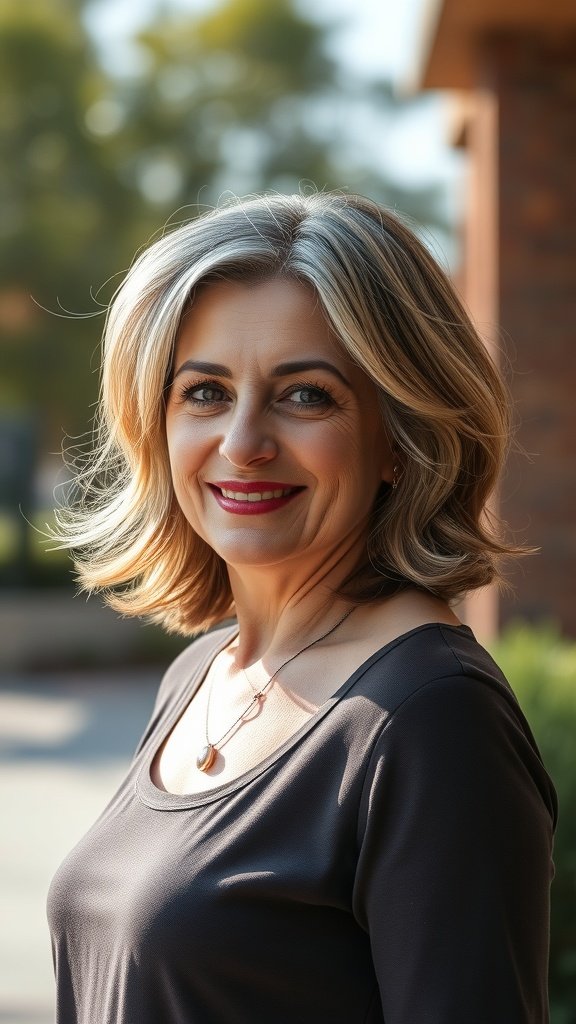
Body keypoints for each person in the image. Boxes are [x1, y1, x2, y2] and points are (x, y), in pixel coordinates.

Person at [47, 191, 557, 1024]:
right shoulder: (200, 674)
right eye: (204, 392)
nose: (243, 442)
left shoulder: (431, 721)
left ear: (400, 433)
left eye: (307, 395)